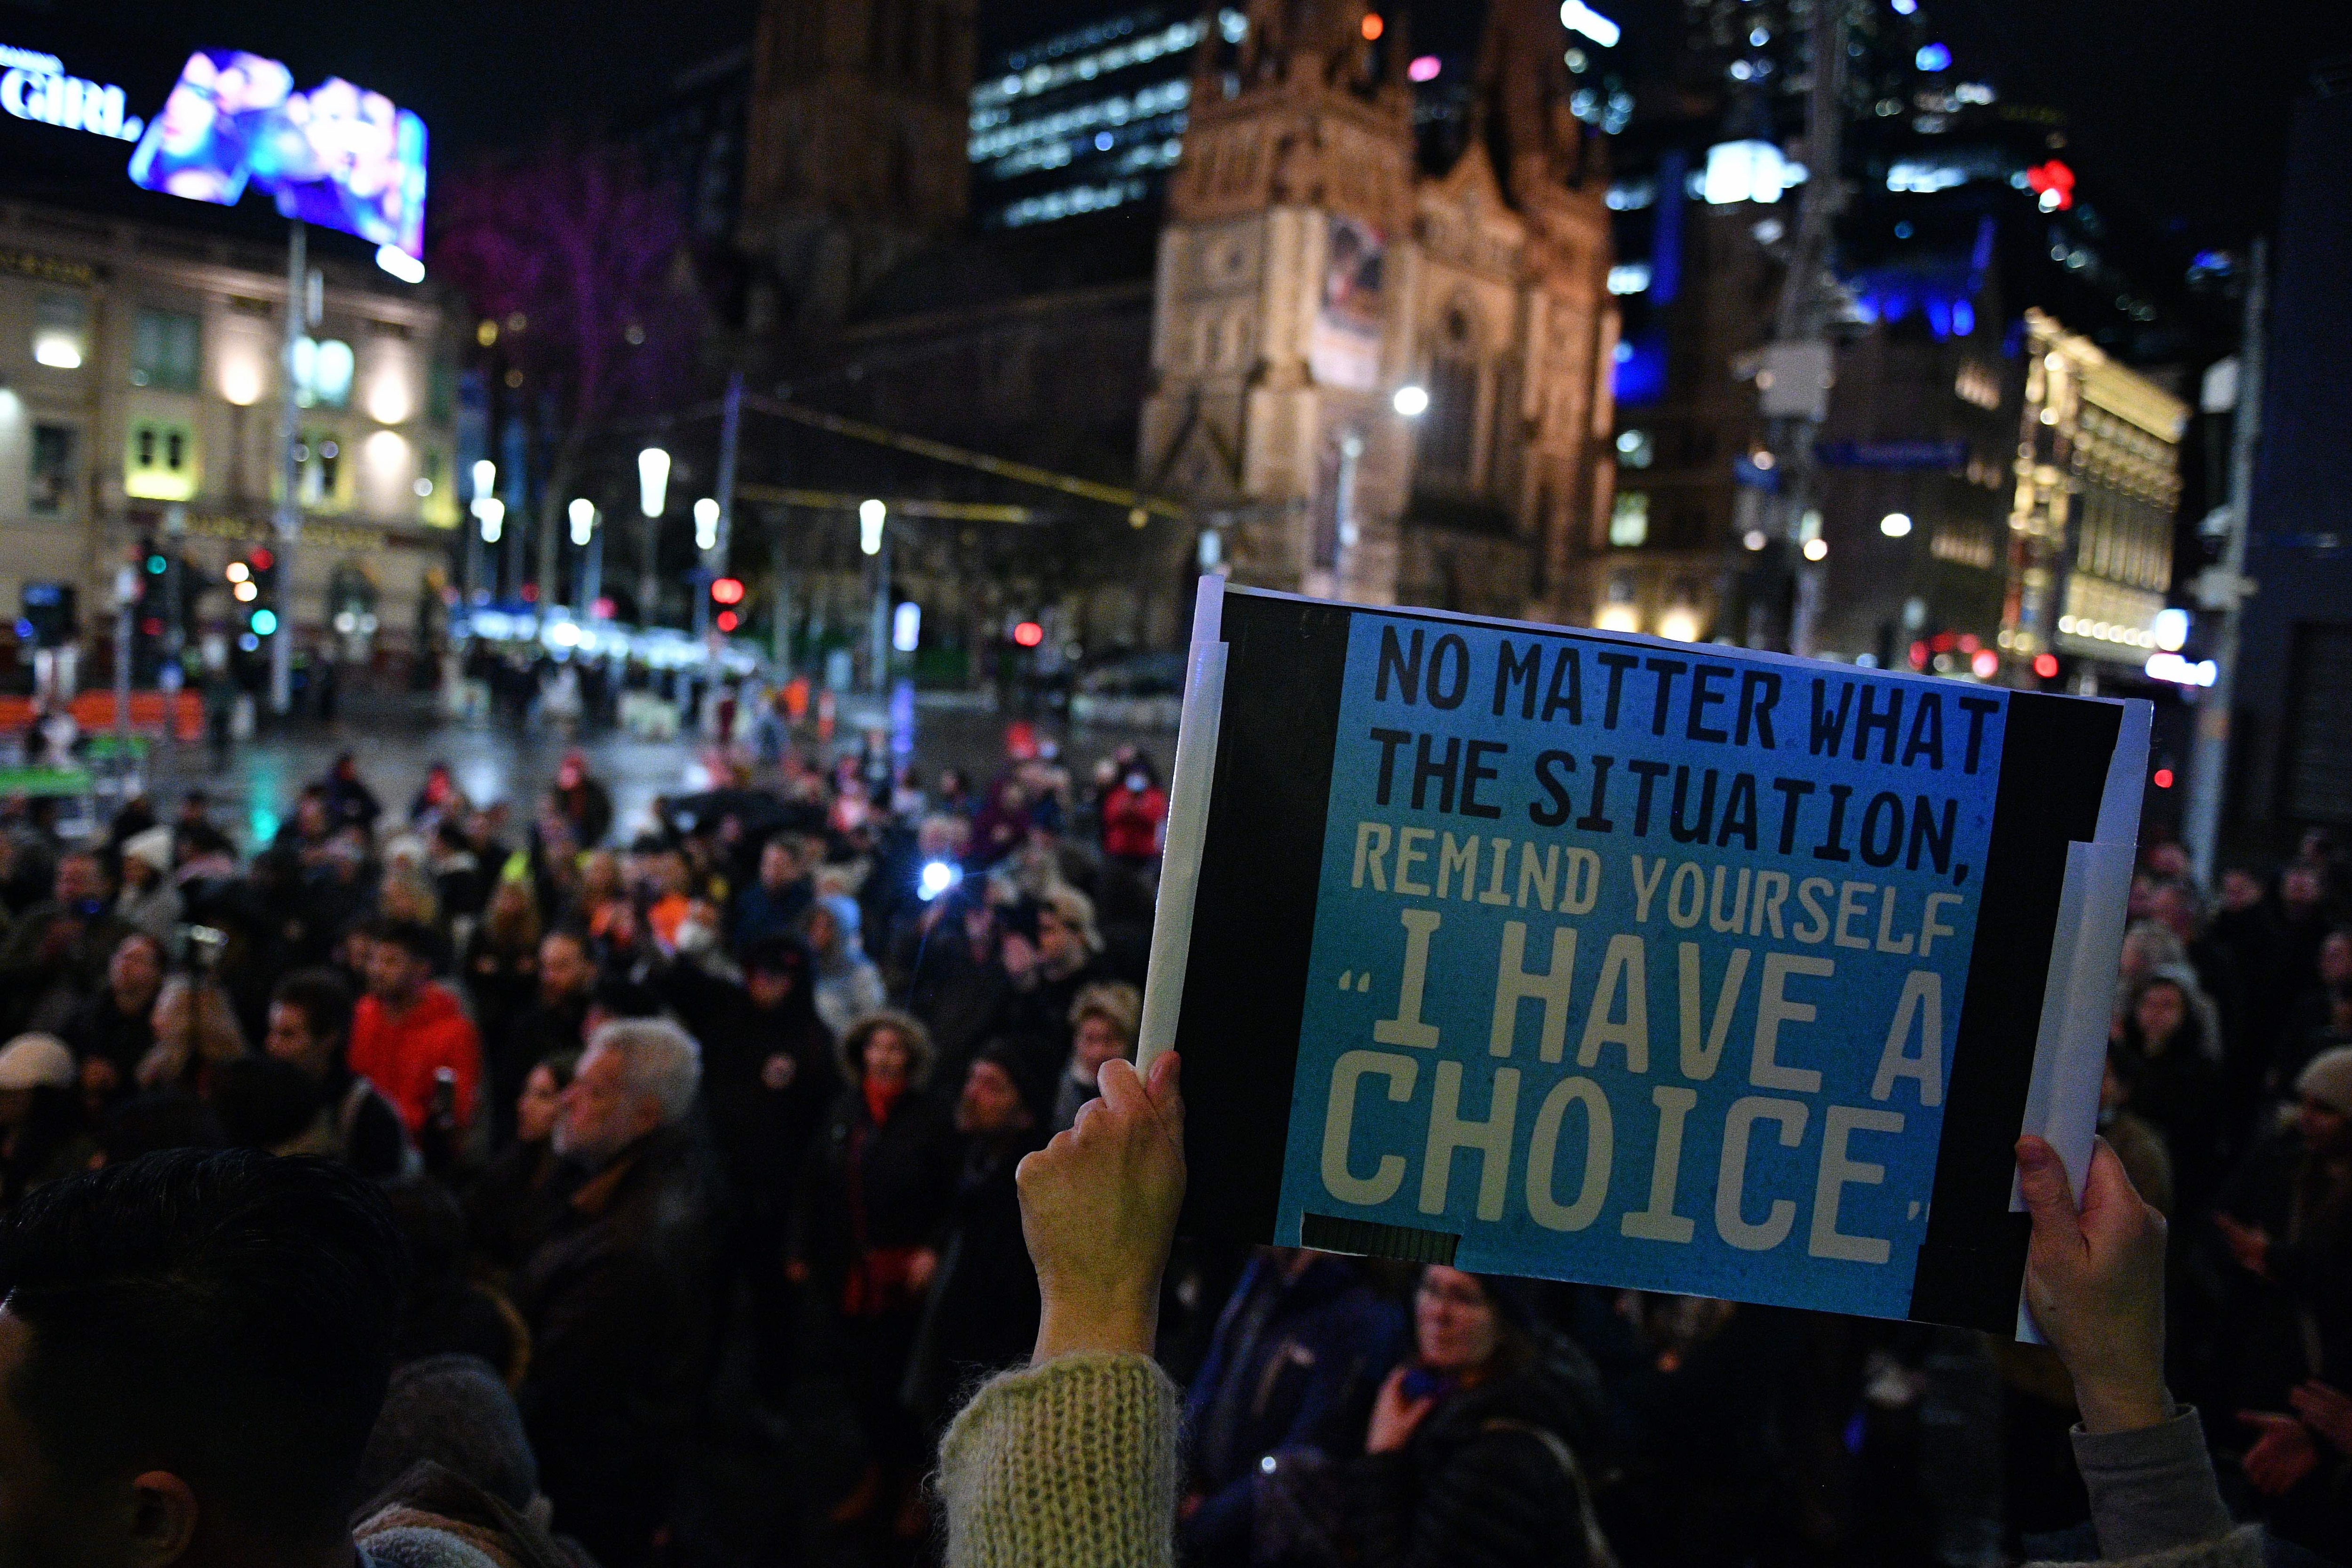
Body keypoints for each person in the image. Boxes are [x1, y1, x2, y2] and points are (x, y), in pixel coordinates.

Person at [934, 1055, 2260, 1568]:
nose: (1443, 1310)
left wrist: (1095, 1314)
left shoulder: (1530, 1426)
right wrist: (2127, 1390)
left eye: (1468, 1293)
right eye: (1435, 1290)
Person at [516, 1018, 715, 1568]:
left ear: (645, 1115)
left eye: (594, 1091)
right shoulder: (610, 1179)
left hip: (592, 1486)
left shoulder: (630, 1246)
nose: (567, 1100)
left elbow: (558, 1386)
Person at [789, 1009, 960, 1534]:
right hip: (848, 1274)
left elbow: (954, 1196)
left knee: (903, 1384)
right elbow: (813, 1182)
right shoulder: (844, 1111)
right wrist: (799, 1247)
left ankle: (914, 1482)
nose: (883, 1057)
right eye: (875, 1047)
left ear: (910, 1057)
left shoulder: (932, 1118)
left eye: (894, 1048)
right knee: (859, 1379)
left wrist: (931, 1249)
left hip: (903, 1280)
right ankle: (876, 1470)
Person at [1340, 1266, 1607, 1568]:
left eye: (1464, 1298)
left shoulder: (1500, 1455)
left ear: (1504, 1321)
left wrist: (1383, 1460)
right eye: (1431, 1289)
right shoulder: (1439, 1401)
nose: (1439, 1313)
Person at [1179, 1247, 1408, 1561]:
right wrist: (1181, 1479)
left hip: (1259, 1538)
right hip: (1205, 1506)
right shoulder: (1263, 1274)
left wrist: (1203, 1524)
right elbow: (1210, 1382)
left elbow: (1309, 1450)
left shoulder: (1361, 1311)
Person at [902, 1042, 1057, 1435]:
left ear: (1024, 1115)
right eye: (973, 1078)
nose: (971, 1093)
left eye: (992, 1085)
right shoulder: (974, 1156)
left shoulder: (1029, 1194)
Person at [348, 918, 484, 1151]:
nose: (377, 970)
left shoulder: (455, 1032)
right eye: (374, 959)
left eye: (391, 962)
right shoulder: (363, 1013)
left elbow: (455, 1117)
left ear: (422, 968)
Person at [265, 968, 413, 1180]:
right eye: (272, 1031)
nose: (272, 1045)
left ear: (329, 1039)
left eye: (287, 1035)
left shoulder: (368, 1113)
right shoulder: (264, 1094)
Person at [467, 1051, 581, 1278]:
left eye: (543, 1096)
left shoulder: (578, 1179)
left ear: (571, 1103)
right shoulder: (511, 1165)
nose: (524, 1106)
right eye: (527, 1092)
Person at [0, 848, 130, 1035]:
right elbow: (7, 969)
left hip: (87, 1027)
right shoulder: (37, 919)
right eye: (63, 880)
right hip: (23, 1018)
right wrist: (45, 955)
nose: (69, 889)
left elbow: (106, 989)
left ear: (105, 885)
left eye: (78, 881)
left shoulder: (121, 933)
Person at [63, 930, 165, 1111]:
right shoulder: (92, 1007)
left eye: (137, 960)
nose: (125, 964)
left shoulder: (162, 1021)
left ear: (158, 974)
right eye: (122, 956)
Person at [0, 1033, 95, 1209]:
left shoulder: (74, 1152)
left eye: (10, 1093)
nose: (4, 1100)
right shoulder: (14, 1139)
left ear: (42, 1097)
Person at [1052, 979, 1141, 1132]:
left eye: (1110, 1039)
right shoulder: (1067, 1089)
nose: (1098, 1052)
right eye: (1090, 1039)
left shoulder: (1140, 1086)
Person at [804, 893, 886, 1039]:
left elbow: (872, 1021)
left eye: (828, 926)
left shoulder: (862, 972)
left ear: (843, 930)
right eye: (815, 925)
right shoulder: (804, 965)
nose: (819, 933)